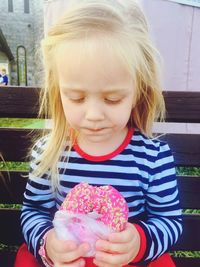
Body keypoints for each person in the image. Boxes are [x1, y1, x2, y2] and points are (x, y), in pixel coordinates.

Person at [15, 0, 183, 266]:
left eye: (112, 99)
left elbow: (169, 222)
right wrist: (48, 243)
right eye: (77, 98)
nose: (93, 114)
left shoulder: (152, 157)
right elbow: (33, 212)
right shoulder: (50, 154)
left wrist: (138, 241)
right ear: (59, 93)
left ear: (137, 90)